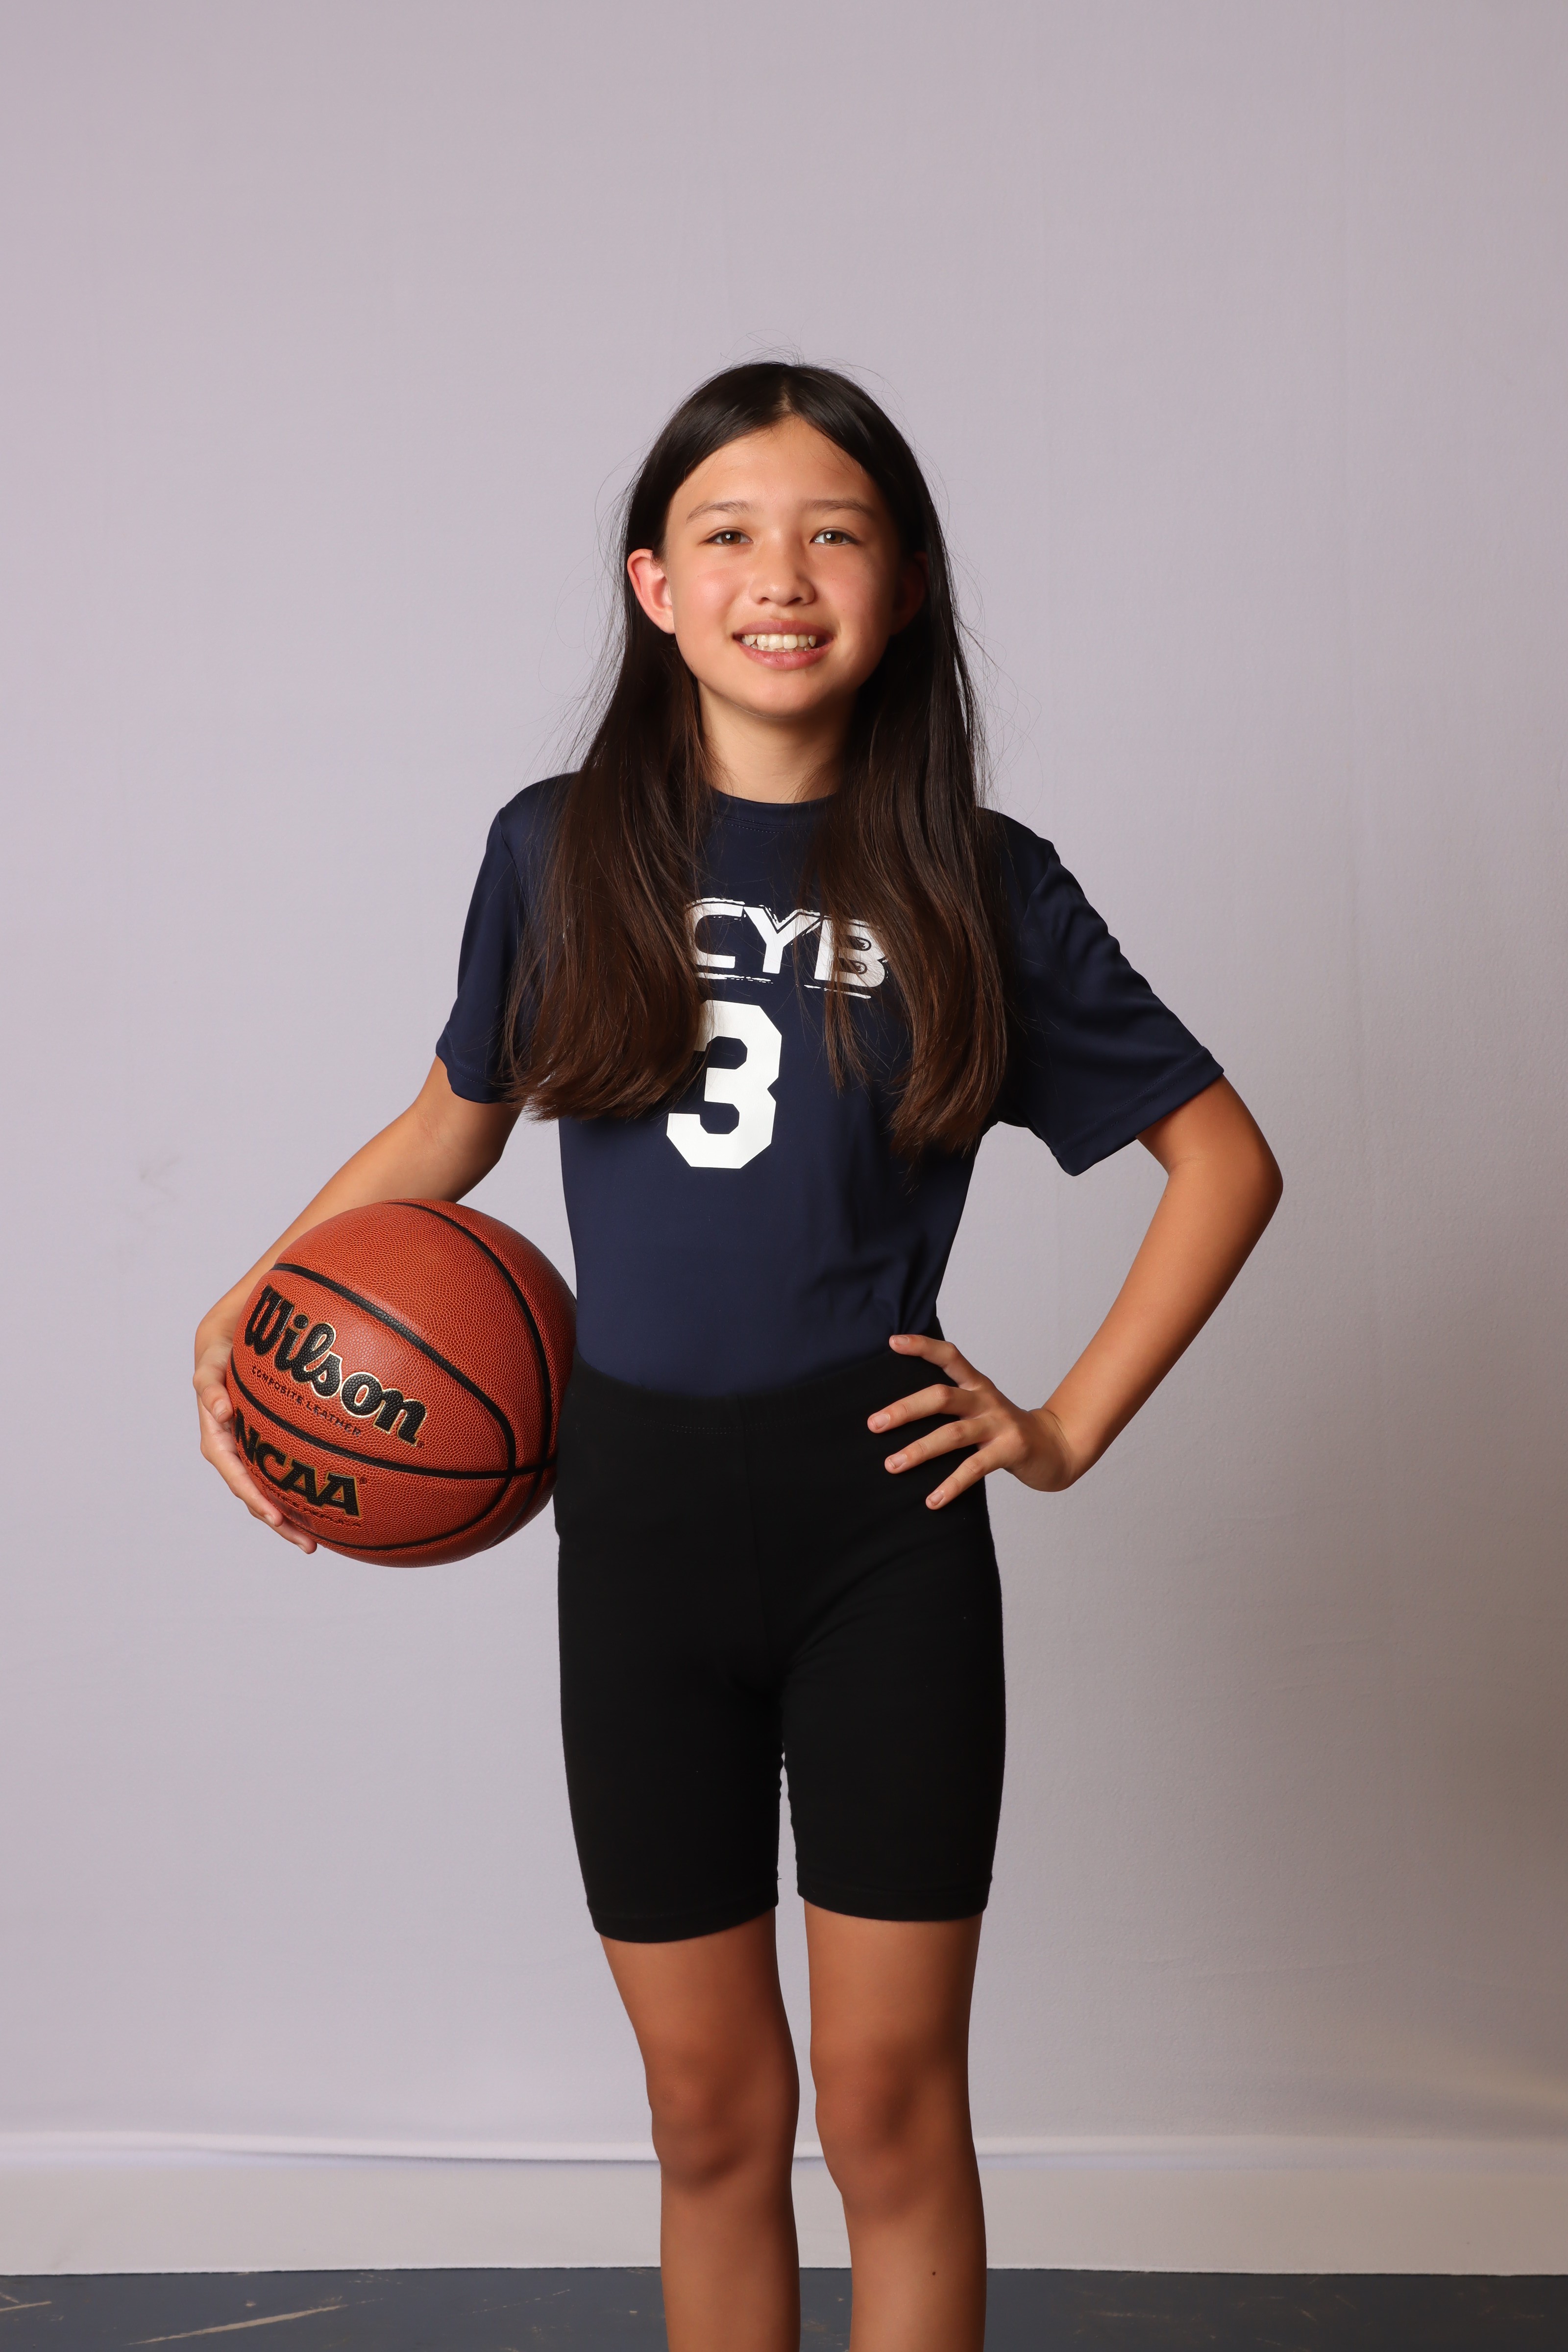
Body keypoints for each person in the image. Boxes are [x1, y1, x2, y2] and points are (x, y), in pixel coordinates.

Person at [194, 363, 1281, 2352]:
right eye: (728, 534)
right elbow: (447, 1129)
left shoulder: (982, 878)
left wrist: (1060, 1428)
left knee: (884, 2108)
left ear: (906, 584)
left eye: (833, 532)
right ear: (655, 587)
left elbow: (1222, 1160)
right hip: (633, 1532)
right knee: (706, 2112)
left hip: (881, 1534)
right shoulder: (556, 850)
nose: (781, 574)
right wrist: (251, 1301)